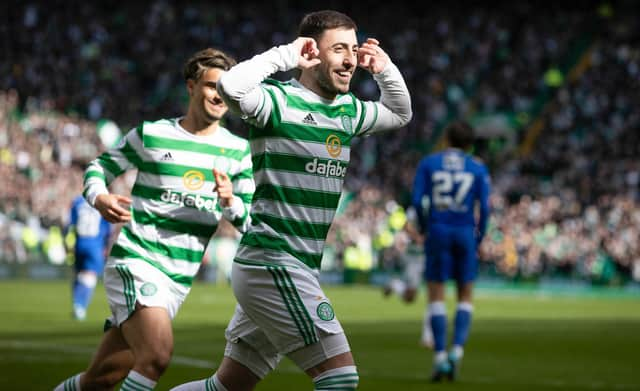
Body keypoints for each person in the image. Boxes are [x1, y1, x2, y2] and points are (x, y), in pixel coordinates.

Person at [170, 10, 412, 391]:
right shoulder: (277, 103)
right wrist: (286, 54)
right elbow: (231, 87)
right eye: (339, 49)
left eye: (353, 48)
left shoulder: (348, 112)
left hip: (293, 266)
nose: (351, 59)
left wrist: (384, 69)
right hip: (273, 262)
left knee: (225, 387)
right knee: (340, 378)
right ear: (312, 52)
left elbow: (401, 113)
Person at [54, 47, 255, 391]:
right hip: (137, 261)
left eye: (225, 89)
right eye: (211, 86)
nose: (218, 95)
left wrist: (230, 202)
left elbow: (249, 222)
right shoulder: (153, 134)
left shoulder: (238, 151)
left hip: (177, 280)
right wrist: (98, 197)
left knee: (101, 379)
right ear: (191, 87)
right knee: (157, 355)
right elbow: (99, 167)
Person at [411, 120, 491, 382]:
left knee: (436, 294)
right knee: (465, 294)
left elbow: (417, 201)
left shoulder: (429, 163)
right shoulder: (478, 168)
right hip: (465, 232)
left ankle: (439, 357)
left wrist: (424, 228)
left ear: (446, 139)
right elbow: (486, 209)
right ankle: (457, 351)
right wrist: (478, 240)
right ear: (469, 145)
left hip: (438, 230)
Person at [66, 194, 112, 321]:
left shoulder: (77, 201)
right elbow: (108, 229)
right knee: (89, 276)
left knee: (78, 274)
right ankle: (80, 306)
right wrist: (107, 246)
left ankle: (76, 304)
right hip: (95, 245)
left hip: (79, 243)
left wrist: (68, 244)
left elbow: (70, 224)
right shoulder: (103, 201)